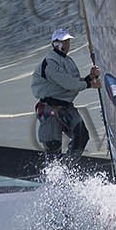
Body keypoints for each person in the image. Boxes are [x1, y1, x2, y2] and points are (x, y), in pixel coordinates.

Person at [33, 28, 102, 158]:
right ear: (54, 43)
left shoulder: (68, 61)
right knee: (53, 147)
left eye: (68, 41)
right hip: (49, 107)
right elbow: (68, 84)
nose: (66, 45)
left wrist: (90, 77)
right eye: (62, 41)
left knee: (81, 136)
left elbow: (74, 82)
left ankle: (69, 169)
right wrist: (89, 84)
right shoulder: (50, 62)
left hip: (66, 107)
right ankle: (55, 173)